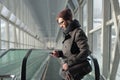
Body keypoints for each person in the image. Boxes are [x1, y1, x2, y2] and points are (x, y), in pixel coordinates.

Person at [51, 8, 92, 80]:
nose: (61, 26)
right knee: (64, 73)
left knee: (67, 74)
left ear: (68, 20)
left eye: (62, 22)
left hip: (78, 66)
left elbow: (85, 51)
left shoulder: (78, 32)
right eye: (59, 23)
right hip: (72, 66)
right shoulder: (68, 33)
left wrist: (69, 64)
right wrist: (59, 53)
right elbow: (71, 51)